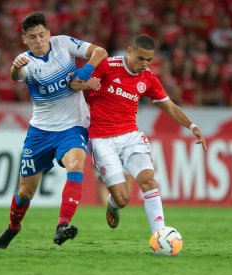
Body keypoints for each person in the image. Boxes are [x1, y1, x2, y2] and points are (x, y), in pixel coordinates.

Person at [0, 11, 108, 249]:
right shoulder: (26, 62)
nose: (38, 41)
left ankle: (62, 225)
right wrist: (15, 67)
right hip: (41, 132)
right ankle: (13, 227)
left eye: (42, 35)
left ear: (49, 33)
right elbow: (17, 75)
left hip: (73, 126)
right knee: (25, 192)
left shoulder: (63, 43)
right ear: (24, 39)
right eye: (32, 37)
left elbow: (100, 52)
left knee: (76, 163)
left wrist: (86, 71)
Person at [71, 34, 207, 235]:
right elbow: (74, 84)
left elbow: (169, 106)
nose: (145, 64)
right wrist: (86, 84)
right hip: (102, 139)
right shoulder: (107, 65)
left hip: (130, 136)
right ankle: (114, 204)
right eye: (141, 58)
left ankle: (159, 234)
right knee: (122, 199)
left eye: (149, 60)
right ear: (129, 51)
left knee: (149, 181)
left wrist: (192, 126)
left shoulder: (149, 78)